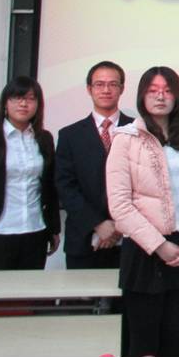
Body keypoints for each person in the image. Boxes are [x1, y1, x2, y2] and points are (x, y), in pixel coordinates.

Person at [106, 66, 179, 357]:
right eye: (153, 90)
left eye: (167, 90)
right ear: (142, 96)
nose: (160, 96)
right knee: (144, 343)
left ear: (177, 96)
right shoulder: (126, 138)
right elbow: (119, 205)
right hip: (144, 251)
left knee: (173, 338)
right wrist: (158, 245)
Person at [0, 75, 60, 270]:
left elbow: (50, 188)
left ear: (38, 105)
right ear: (5, 103)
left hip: (35, 231)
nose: (23, 104)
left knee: (30, 288)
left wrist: (54, 229)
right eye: (17, 98)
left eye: (30, 98)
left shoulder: (44, 139)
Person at [56, 61, 133, 270]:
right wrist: (97, 223)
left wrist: (119, 225)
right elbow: (65, 186)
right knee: (81, 292)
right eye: (99, 84)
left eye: (113, 84)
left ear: (122, 88)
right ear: (89, 89)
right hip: (83, 239)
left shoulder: (139, 130)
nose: (106, 90)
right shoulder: (70, 135)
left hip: (132, 239)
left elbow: (146, 185)